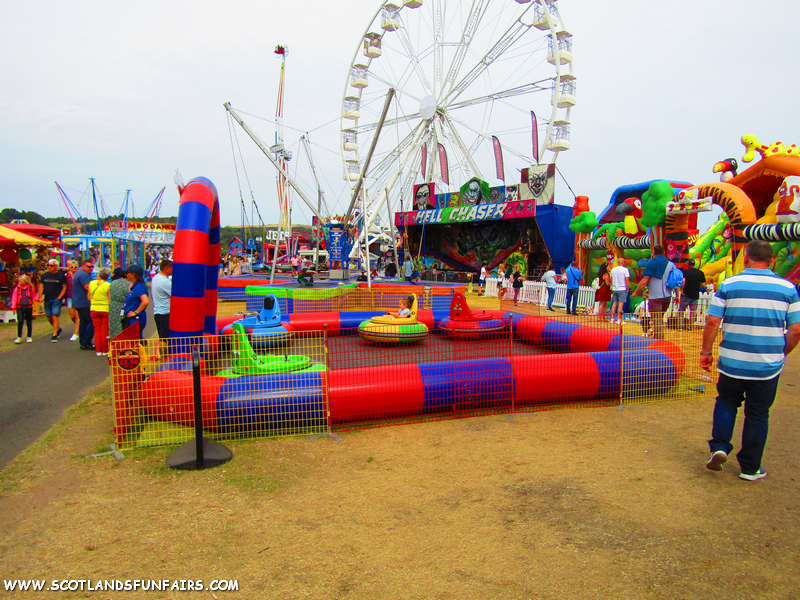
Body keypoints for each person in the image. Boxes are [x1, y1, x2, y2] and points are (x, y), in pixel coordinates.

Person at [701, 240, 800, 481]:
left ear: (746, 258)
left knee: (726, 402)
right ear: (772, 260)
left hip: (732, 361)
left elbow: (713, 321)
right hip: (767, 365)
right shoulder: (788, 288)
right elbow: (796, 330)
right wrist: (782, 352)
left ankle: (719, 446)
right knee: (758, 413)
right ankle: (750, 467)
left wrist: (706, 352)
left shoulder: (729, 284)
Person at [631, 245, 672, 340]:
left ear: (654, 252)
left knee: (657, 318)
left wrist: (636, 292)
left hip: (655, 296)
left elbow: (644, 281)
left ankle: (659, 338)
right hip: (668, 295)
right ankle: (658, 336)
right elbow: (675, 279)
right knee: (660, 317)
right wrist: (677, 295)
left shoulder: (651, 264)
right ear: (664, 252)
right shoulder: (671, 264)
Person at [39, 258, 67, 342]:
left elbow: (64, 287)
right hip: (47, 298)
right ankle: (57, 328)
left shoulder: (61, 276)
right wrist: (40, 296)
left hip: (56, 298)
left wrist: (60, 297)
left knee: (55, 316)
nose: (49, 267)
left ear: (56, 266)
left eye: (51, 265)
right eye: (48, 265)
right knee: (49, 317)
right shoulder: (45, 275)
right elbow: (41, 286)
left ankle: (54, 334)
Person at [73, 259, 96, 350]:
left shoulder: (79, 273)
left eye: (92, 267)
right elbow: (88, 287)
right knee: (91, 321)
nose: (91, 268)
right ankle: (86, 341)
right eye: (89, 266)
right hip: (84, 302)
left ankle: (83, 341)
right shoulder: (83, 275)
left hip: (79, 302)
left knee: (83, 322)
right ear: (83, 266)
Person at [89, 267, 111, 356]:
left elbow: (89, 297)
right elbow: (109, 298)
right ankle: (105, 350)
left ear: (99, 275)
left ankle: (98, 350)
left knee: (97, 330)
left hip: (94, 308)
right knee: (104, 330)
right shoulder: (108, 285)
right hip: (105, 309)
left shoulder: (91, 283)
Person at [123, 264, 150, 339]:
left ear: (133, 274)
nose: (126, 275)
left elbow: (145, 301)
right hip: (131, 318)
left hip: (135, 319)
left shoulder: (139, 287)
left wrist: (136, 312)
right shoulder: (134, 286)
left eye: (127, 273)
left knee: (135, 340)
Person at [678, 259, 706, 330]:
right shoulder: (700, 273)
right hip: (695, 295)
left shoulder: (685, 272)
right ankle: (691, 327)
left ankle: (680, 326)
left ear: (688, 264)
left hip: (686, 294)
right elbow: (703, 284)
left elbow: (683, 281)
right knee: (693, 312)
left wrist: (682, 290)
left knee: (681, 310)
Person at [11, 274, 39, 343]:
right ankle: (19, 337)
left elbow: (34, 296)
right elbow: (14, 298)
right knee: (20, 321)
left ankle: (29, 336)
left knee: (28, 321)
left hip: (28, 307)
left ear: (25, 281)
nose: (20, 282)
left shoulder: (31, 288)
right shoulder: (17, 288)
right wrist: (13, 306)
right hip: (20, 307)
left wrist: (39, 299)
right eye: (19, 281)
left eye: (21, 281)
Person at [151, 259, 173, 340]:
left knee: (162, 337)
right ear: (166, 269)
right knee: (165, 339)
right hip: (165, 313)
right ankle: (164, 348)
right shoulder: (164, 282)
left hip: (158, 311)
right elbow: (176, 294)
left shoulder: (156, 278)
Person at [108, 267, 130, 341]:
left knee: (114, 325)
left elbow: (109, 296)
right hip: (124, 307)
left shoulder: (113, 283)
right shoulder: (129, 284)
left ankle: (114, 342)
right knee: (123, 326)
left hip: (113, 306)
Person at [609, 260, 631, 325]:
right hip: (622, 288)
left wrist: (612, 286)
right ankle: (619, 319)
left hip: (615, 288)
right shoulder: (625, 270)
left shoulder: (613, 269)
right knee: (621, 304)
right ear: (623, 262)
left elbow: (611, 279)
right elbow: (627, 279)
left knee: (614, 303)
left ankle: (612, 319)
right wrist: (627, 288)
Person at [65, 260, 80, 341]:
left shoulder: (79, 275)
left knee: (77, 316)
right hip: (69, 296)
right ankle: (80, 326)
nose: (74, 268)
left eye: (75, 267)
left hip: (78, 297)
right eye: (72, 267)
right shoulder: (66, 276)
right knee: (72, 316)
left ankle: (76, 333)